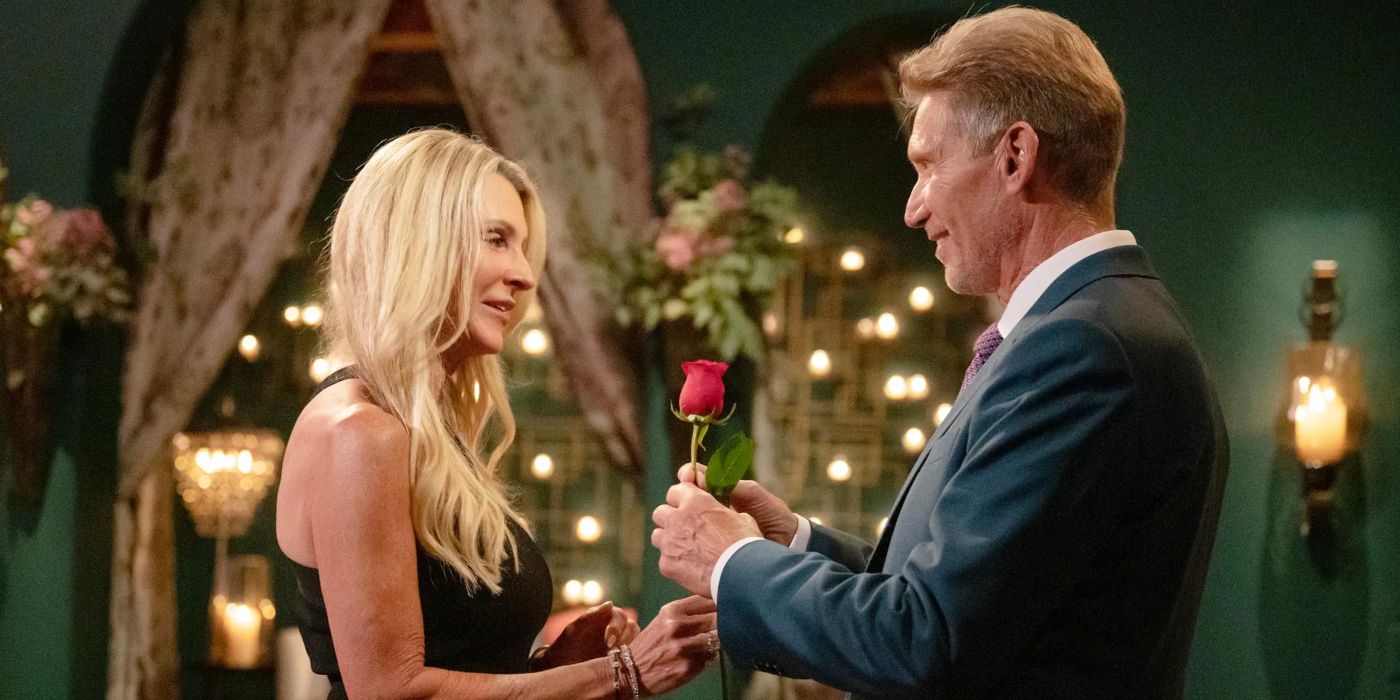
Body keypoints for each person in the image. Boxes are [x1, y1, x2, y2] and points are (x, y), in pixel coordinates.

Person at [650, 8, 1228, 698]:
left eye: (927, 166)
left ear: (1016, 156)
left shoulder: (1084, 349)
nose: (913, 208)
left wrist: (729, 559)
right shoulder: (1092, 325)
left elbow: (925, 645)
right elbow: (966, 606)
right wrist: (794, 544)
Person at [277, 129, 717, 699]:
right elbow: (391, 691)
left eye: (521, 245)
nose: (525, 275)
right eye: (496, 239)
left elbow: (448, 665)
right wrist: (622, 675)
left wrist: (552, 669)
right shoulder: (359, 433)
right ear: (417, 241)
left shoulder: (425, 432)